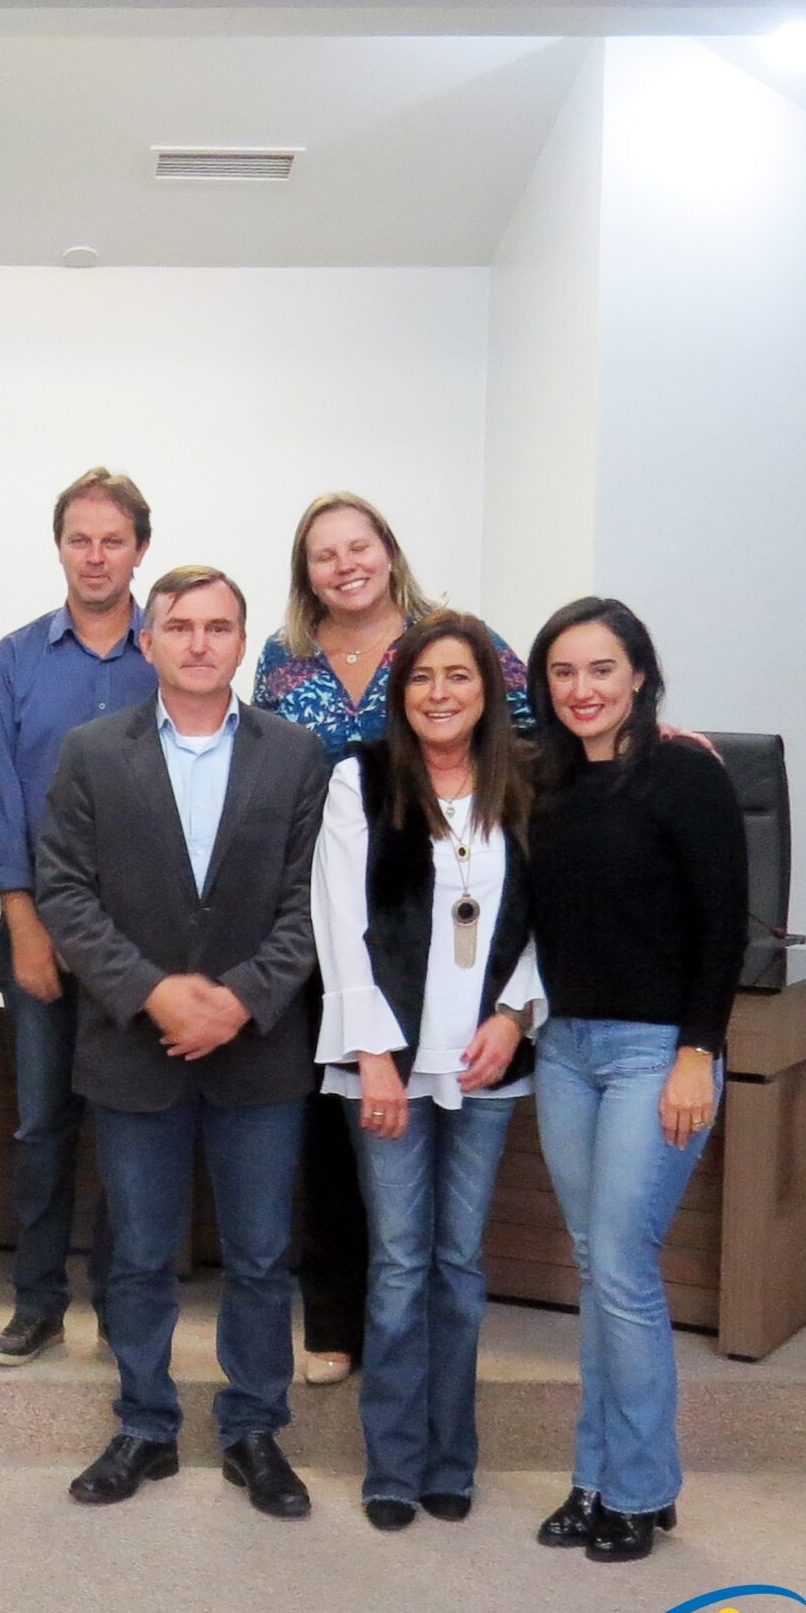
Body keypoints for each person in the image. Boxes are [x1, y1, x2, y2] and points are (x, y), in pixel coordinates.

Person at [35, 565, 330, 1519]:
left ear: (245, 643)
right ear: (148, 642)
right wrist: (154, 994)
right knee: (139, 1255)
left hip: (261, 1051)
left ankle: (254, 1430)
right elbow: (66, 896)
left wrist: (238, 1002)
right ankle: (145, 1425)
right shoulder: (90, 753)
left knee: (258, 1255)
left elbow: (311, 906)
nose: (199, 642)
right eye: (180, 627)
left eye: (219, 626)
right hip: (134, 1046)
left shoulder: (297, 757)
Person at [252, 491, 534, 1388]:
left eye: (358, 546)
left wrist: (652, 735)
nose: (344, 565)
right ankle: (336, 1321)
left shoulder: (452, 640)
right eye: (323, 555)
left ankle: (414, 1349)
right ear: (307, 575)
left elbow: (537, 736)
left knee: (428, 1190)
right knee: (335, 1135)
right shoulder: (284, 661)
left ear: (388, 552)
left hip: (438, 907)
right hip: (323, 908)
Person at [523, 597, 746, 1564]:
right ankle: (596, 1477)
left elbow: (724, 923)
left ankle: (642, 1488)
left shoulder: (687, 774)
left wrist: (699, 1049)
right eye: (564, 673)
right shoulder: (543, 782)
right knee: (596, 1268)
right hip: (565, 1048)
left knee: (621, 1269)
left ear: (641, 675)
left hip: (658, 1052)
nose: (583, 689)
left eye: (602, 669)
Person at [311, 612, 543, 1532]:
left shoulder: (524, 783)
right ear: (400, 695)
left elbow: (547, 915)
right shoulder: (358, 781)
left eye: (459, 677)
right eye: (421, 680)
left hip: (488, 1059)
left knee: (459, 1264)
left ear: (488, 691)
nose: (439, 694)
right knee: (402, 1263)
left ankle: (454, 1457)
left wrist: (513, 1015)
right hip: (390, 1060)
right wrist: (371, 1052)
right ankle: (393, 1464)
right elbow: (339, 924)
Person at [0, 466, 160, 1368]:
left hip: (144, 940)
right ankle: (37, 1302)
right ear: (60, 548)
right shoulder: (15, 659)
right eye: (80, 539)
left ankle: (124, 1305)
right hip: (42, 926)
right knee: (42, 1124)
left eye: (112, 540)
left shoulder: (168, 652)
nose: (95, 556)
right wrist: (24, 924)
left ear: (139, 551)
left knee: (130, 1120)